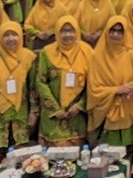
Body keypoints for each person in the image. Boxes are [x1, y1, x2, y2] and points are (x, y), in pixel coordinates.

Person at [0, 21, 36, 172]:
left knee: (22, 165)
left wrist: (34, 112)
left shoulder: (28, 58)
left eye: (14, 34)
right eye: (6, 35)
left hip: (20, 119)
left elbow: (33, 88)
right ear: (0, 39)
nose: (11, 39)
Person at [87, 16, 133, 154]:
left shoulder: (131, 55)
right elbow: (93, 88)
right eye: (112, 30)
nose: (115, 34)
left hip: (128, 109)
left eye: (120, 31)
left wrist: (132, 85)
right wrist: (116, 90)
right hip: (107, 112)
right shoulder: (97, 57)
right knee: (108, 156)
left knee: (129, 154)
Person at [35, 16, 92, 146]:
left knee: (78, 158)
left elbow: (93, 83)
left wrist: (80, 105)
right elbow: (41, 81)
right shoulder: (47, 52)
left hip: (77, 116)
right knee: (54, 159)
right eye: (63, 31)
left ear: (77, 32)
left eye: (71, 31)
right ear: (57, 32)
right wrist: (55, 109)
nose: (67, 35)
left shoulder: (86, 51)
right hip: (53, 116)